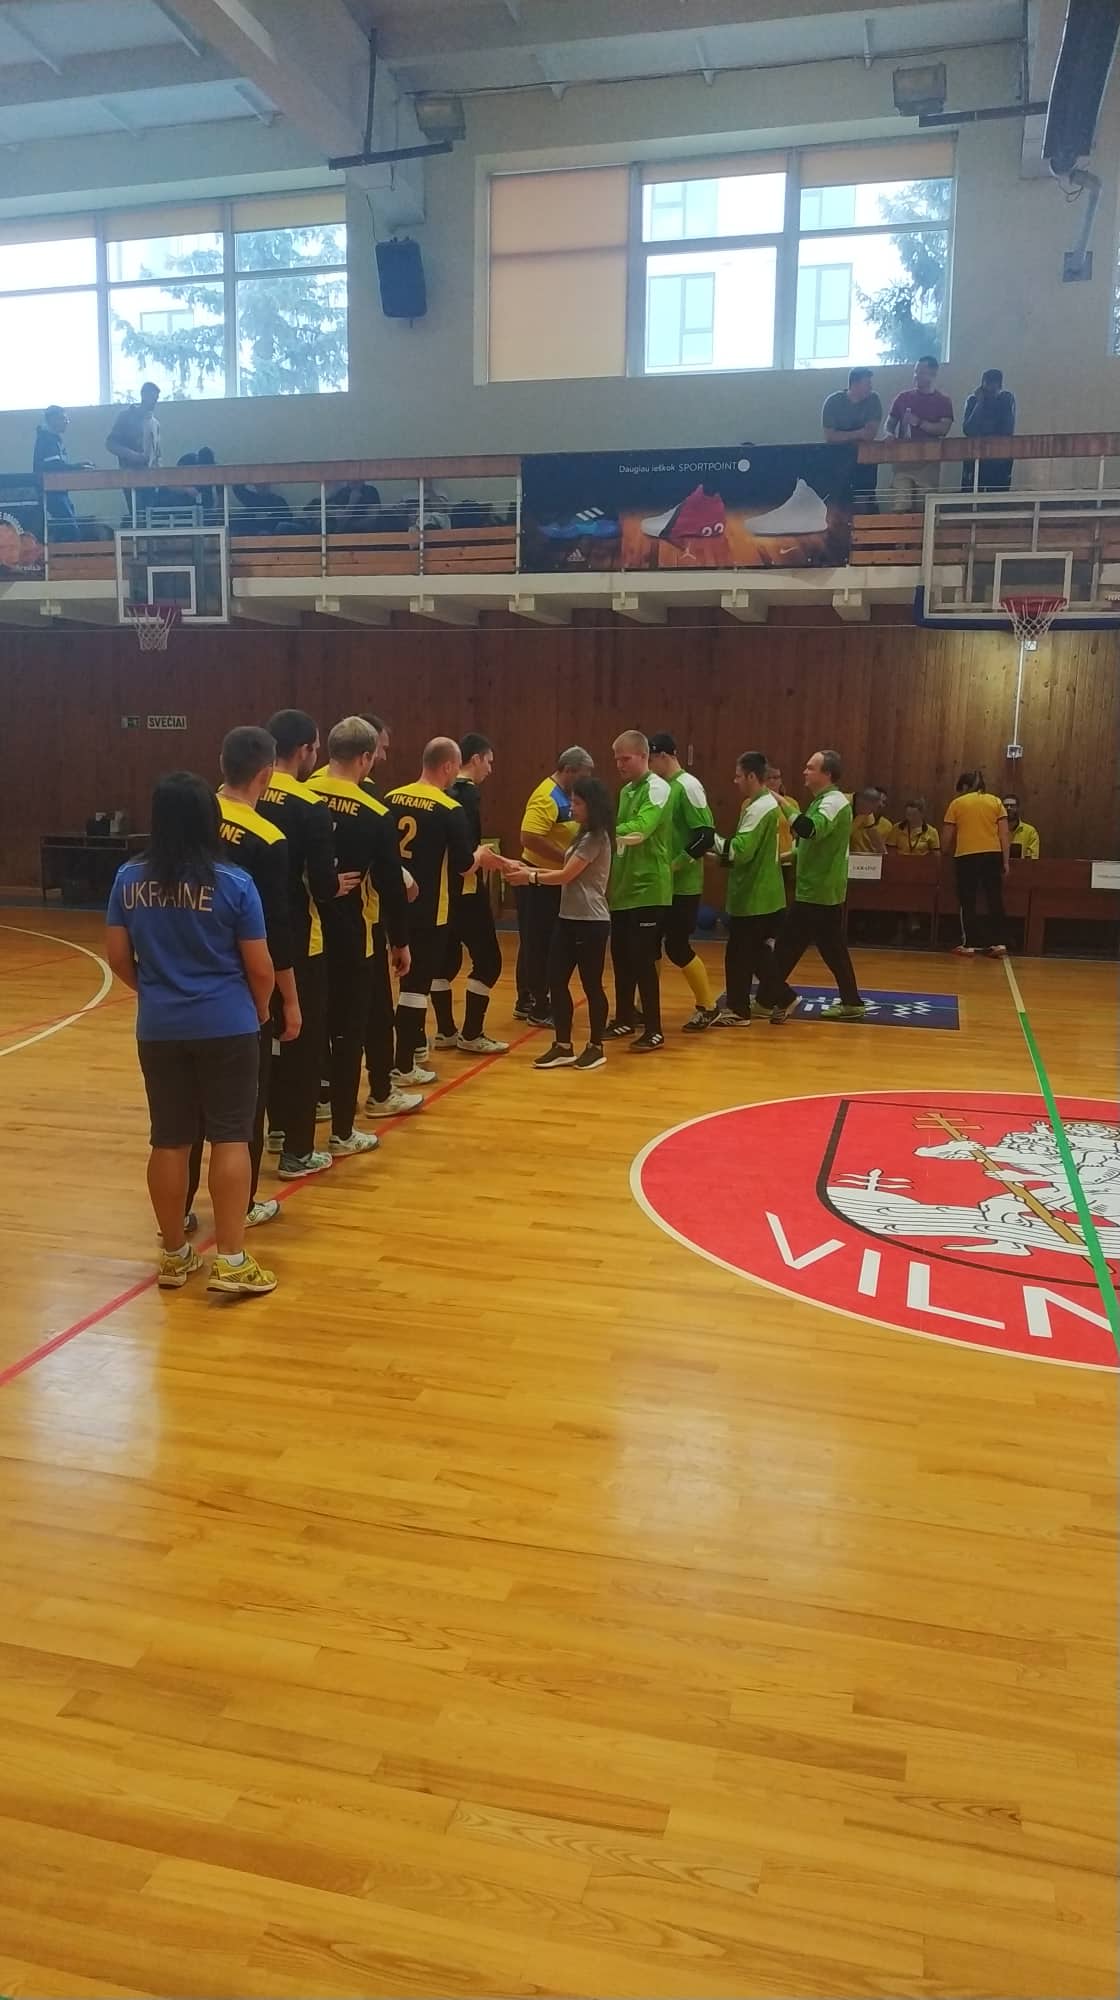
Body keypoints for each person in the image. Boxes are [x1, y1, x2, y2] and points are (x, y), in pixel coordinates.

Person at [105, 772, 278, 1296]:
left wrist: (156, 991)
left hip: (159, 1027)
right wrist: (259, 1008)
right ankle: (231, 1261)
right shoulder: (235, 882)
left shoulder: (127, 878)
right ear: (211, 820)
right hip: (227, 1024)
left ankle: (175, 1255)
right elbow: (261, 967)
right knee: (231, 1135)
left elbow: (118, 957)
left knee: (169, 1139)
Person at [185, 727, 301, 1232]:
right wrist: (287, 999)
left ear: (221, 763)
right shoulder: (268, 839)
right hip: (237, 991)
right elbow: (274, 930)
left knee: (183, 1117)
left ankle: (179, 1210)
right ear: (267, 775)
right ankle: (244, 1204)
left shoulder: (188, 821)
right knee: (242, 1108)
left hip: (179, 982)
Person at [308, 717, 411, 1150]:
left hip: (304, 928)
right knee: (349, 1029)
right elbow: (390, 884)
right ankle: (343, 1131)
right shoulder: (374, 812)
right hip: (353, 931)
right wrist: (401, 940)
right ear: (366, 758)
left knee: (307, 1023)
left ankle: (302, 1114)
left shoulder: (300, 794)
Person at [257, 708, 350, 1179]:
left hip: (242, 937)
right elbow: (323, 884)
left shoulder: (235, 796)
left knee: (265, 1036)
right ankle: (297, 1149)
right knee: (303, 1039)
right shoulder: (309, 806)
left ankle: (274, 1128)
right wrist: (339, 886)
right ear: (305, 750)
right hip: (296, 937)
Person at [385, 739, 483, 1083]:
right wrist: (483, 856)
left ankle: (411, 1049)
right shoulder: (449, 808)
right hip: (430, 910)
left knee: (402, 983)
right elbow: (464, 864)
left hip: (391, 905)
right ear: (448, 766)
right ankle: (404, 1064)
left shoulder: (391, 798)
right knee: (415, 987)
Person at [502, 775, 615, 1071]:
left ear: (592, 805)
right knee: (555, 979)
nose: (572, 808)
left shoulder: (596, 837)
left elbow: (566, 875)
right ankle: (563, 1045)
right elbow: (562, 871)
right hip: (568, 918)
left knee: (591, 985)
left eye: (577, 803)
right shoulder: (581, 835)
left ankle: (595, 1046)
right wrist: (525, 868)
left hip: (590, 921)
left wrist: (530, 877)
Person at [354, 711, 426, 1113]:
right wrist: (400, 939)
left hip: (322, 926)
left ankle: (322, 1099)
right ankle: (380, 1091)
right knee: (375, 1011)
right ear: (364, 753)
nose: (383, 757)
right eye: (380, 749)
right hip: (365, 923)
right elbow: (385, 869)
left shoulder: (310, 791)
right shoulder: (368, 800)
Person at [767, 749, 866, 1023]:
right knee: (831, 949)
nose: (804, 771)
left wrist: (779, 800)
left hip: (818, 891)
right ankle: (851, 1002)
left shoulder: (832, 802)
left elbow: (810, 830)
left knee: (786, 946)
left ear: (827, 774)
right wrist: (783, 857)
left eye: (811, 767)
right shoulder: (822, 801)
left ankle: (769, 998)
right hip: (820, 890)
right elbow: (812, 846)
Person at [430, 733, 508, 1056]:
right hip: (466, 890)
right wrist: (484, 857)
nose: (490, 768)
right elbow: (469, 852)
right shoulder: (468, 794)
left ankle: (445, 1030)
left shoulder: (437, 792)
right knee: (489, 962)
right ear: (474, 759)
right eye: (488, 761)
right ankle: (472, 1033)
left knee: (443, 963)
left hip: (440, 893)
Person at [696, 751, 787, 1026]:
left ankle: (742, 1009)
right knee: (752, 952)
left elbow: (740, 851)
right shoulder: (758, 804)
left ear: (751, 776)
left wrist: (710, 838)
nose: (734, 781)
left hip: (756, 894)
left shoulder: (760, 808)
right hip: (758, 891)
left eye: (738, 776)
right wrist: (718, 858)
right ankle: (780, 998)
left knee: (740, 954)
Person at [515, 748, 595, 1022]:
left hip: (550, 878)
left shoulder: (566, 795)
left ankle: (526, 998)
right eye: (584, 775)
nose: (587, 781)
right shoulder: (547, 796)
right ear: (569, 770)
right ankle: (538, 1003)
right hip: (537, 880)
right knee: (538, 943)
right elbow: (529, 836)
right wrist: (567, 858)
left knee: (537, 941)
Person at [607, 730, 674, 1053]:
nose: (620, 764)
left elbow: (641, 830)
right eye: (616, 759)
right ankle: (624, 1017)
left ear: (644, 756)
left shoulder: (657, 788)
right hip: (623, 889)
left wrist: (602, 831)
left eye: (626, 758)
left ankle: (654, 1029)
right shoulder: (625, 791)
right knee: (620, 956)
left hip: (649, 888)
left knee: (643, 960)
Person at [648, 732, 718, 1031]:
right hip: (662, 885)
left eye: (651, 760)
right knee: (649, 945)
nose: (649, 767)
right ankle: (644, 1005)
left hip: (683, 886)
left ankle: (708, 1005)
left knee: (677, 947)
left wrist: (675, 865)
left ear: (663, 756)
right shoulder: (663, 787)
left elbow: (705, 836)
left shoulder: (688, 786)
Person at [942, 770, 1010, 956]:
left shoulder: (957, 803)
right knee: (994, 898)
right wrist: (1005, 861)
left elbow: (947, 836)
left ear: (965, 786)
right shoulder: (996, 802)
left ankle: (969, 944)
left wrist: (944, 851)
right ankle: (999, 942)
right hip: (993, 855)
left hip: (966, 855)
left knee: (967, 900)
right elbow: (1004, 834)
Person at [886, 356, 953, 511]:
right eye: (915, 371)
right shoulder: (903, 398)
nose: (916, 376)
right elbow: (890, 422)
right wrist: (889, 433)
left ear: (933, 374)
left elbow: (943, 429)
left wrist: (919, 423)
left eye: (921, 372)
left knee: (925, 506)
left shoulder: (943, 401)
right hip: (903, 461)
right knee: (901, 504)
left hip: (928, 461)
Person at [821, 367, 882, 511]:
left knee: (864, 497)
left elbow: (869, 434)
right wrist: (859, 433)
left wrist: (843, 435)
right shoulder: (833, 402)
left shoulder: (873, 400)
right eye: (867, 383)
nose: (871, 387)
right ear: (855, 384)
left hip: (866, 459)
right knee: (839, 498)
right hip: (838, 460)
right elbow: (830, 437)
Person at [33, 405, 93, 540]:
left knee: (66, 527)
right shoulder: (48, 439)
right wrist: (77, 467)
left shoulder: (51, 438)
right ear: (52, 419)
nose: (67, 422)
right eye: (63, 418)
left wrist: (76, 466)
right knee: (71, 531)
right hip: (52, 492)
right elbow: (54, 466)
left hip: (58, 491)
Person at [962, 369, 1016, 493]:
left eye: (993, 390)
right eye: (986, 389)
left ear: (999, 387)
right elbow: (968, 430)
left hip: (1000, 459)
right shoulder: (973, 401)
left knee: (997, 496)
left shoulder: (1006, 400)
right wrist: (980, 403)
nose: (989, 394)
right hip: (975, 457)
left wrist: (1000, 401)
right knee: (970, 495)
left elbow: (1007, 430)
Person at [106, 382, 161, 470]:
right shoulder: (126, 417)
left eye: (156, 398)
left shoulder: (155, 424)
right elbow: (111, 444)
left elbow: (157, 455)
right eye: (152, 397)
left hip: (151, 475)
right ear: (143, 395)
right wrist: (133, 455)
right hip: (128, 473)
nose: (155, 401)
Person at [849, 788, 891, 855]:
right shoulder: (841, 802)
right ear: (863, 802)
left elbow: (875, 838)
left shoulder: (868, 814)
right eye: (871, 809)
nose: (872, 812)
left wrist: (885, 856)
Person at [1003, 794, 1040, 860]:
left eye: (1012, 806)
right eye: (1005, 806)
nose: (1008, 808)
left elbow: (1033, 858)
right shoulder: (995, 830)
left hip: (1023, 866)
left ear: (1018, 808)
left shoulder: (1030, 831)